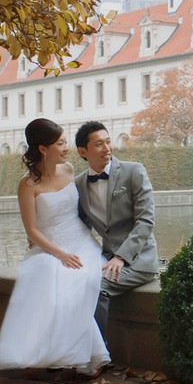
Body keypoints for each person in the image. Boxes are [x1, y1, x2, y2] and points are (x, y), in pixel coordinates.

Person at [0, 118, 109, 378]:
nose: (66, 147)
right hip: (51, 246)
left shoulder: (68, 171)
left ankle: (72, 359)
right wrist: (60, 254)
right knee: (48, 276)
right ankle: (58, 358)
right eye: (60, 143)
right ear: (43, 148)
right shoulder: (28, 185)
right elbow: (32, 231)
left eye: (65, 142)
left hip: (81, 243)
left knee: (79, 280)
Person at [75, 121, 159, 345]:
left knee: (96, 285)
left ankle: (95, 355)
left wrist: (121, 257)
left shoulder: (134, 171)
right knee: (71, 283)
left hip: (138, 260)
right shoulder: (79, 185)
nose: (107, 148)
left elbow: (146, 220)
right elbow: (78, 227)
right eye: (99, 144)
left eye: (108, 141)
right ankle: (68, 352)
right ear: (83, 151)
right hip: (106, 259)